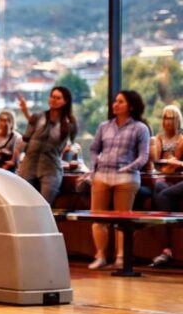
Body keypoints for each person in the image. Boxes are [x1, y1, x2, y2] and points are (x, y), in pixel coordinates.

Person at [88, 90, 150, 270]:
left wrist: (128, 168)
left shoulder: (140, 128)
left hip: (126, 178)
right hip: (102, 176)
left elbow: (143, 156)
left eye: (120, 102)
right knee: (98, 219)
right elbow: (93, 149)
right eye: (115, 101)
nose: (115, 104)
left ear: (131, 106)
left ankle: (121, 257)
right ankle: (100, 256)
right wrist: (94, 167)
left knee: (123, 219)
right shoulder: (104, 126)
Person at [16, 87, 77, 206]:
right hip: (29, 164)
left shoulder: (69, 124)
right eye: (52, 97)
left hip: (51, 168)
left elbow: (69, 145)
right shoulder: (38, 117)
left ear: (65, 101)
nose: (53, 100)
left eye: (58, 98)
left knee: (45, 206)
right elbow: (26, 138)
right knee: (24, 204)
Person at [148, 105, 182, 267]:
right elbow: (157, 163)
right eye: (164, 118)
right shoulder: (159, 138)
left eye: (170, 118)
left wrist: (172, 163)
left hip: (176, 178)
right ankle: (166, 249)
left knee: (162, 194)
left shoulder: (182, 138)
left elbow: (175, 163)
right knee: (159, 187)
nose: (167, 122)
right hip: (164, 177)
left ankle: (166, 248)